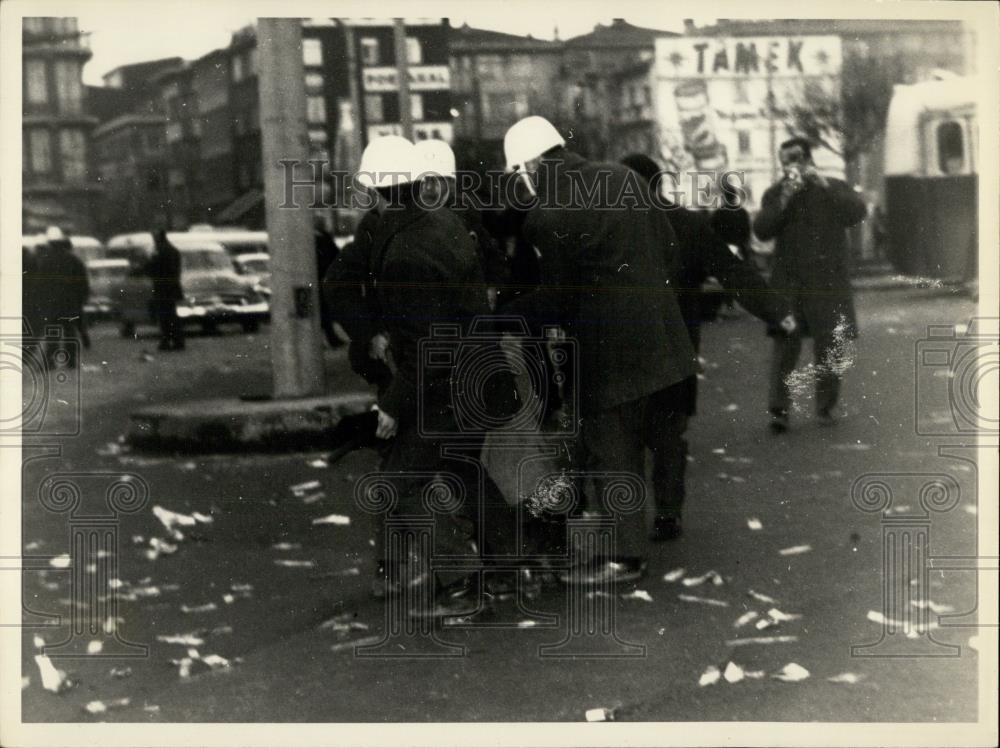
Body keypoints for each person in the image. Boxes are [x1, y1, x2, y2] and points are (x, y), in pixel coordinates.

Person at [502, 116, 698, 584]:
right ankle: (626, 541)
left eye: (517, 174)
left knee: (614, 453)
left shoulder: (546, 216)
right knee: (650, 442)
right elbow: (669, 249)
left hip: (607, 351)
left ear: (530, 164)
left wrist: (502, 316)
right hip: (662, 338)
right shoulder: (623, 176)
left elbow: (559, 297)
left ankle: (625, 558)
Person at [357, 136, 499, 618]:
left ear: (376, 192)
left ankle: (462, 586)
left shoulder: (404, 254)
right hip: (473, 379)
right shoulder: (444, 224)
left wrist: (394, 405)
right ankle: (481, 574)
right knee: (449, 477)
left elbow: (426, 349)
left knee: (402, 484)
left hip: (442, 391)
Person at [619, 154, 796, 540]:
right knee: (669, 433)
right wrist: (774, 310)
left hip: (623, 348)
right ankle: (668, 513)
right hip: (676, 344)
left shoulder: (610, 223)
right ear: (658, 182)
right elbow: (733, 271)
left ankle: (626, 524)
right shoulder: (687, 223)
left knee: (625, 436)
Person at [753, 137, 867, 432]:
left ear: (809, 159)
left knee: (829, 345)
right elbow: (762, 230)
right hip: (790, 282)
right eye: (785, 161)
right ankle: (779, 411)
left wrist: (824, 185)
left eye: (796, 158)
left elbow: (857, 212)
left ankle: (826, 408)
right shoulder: (776, 193)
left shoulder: (833, 186)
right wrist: (783, 200)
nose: (791, 166)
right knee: (785, 346)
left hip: (827, 282)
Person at [413, 139, 508, 309]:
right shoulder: (405, 219)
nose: (428, 188)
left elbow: (494, 258)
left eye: (436, 180)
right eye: (422, 181)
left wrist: (492, 288)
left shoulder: (467, 213)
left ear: (451, 183)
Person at [34, 227, 89, 368]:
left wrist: (41, 302)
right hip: (70, 304)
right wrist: (81, 300)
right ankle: (70, 362)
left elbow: (40, 284)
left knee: (52, 333)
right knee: (70, 332)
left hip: (52, 304)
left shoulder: (45, 261)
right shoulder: (74, 260)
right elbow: (82, 282)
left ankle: (50, 362)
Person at [146, 229, 185, 351]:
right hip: (173, 287)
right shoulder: (173, 250)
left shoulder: (160, 251)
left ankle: (167, 340)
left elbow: (154, 268)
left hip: (162, 288)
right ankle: (177, 340)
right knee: (172, 314)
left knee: (164, 316)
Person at [313, 216, 344, 349]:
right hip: (322, 278)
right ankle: (331, 339)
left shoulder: (319, 238)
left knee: (323, 312)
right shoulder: (322, 238)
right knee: (324, 312)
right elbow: (335, 254)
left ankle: (329, 339)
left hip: (321, 278)